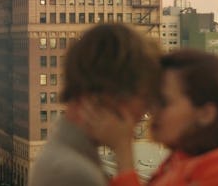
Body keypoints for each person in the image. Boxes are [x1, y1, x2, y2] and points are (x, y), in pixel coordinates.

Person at [84, 49, 218, 185]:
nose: (153, 110)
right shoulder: (179, 159)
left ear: (206, 114)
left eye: (163, 102)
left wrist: (123, 149)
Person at [28, 24, 162, 186]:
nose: (146, 111)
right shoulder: (75, 175)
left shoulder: (69, 158)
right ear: (111, 94)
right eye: (144, 98)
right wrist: (124, 155)